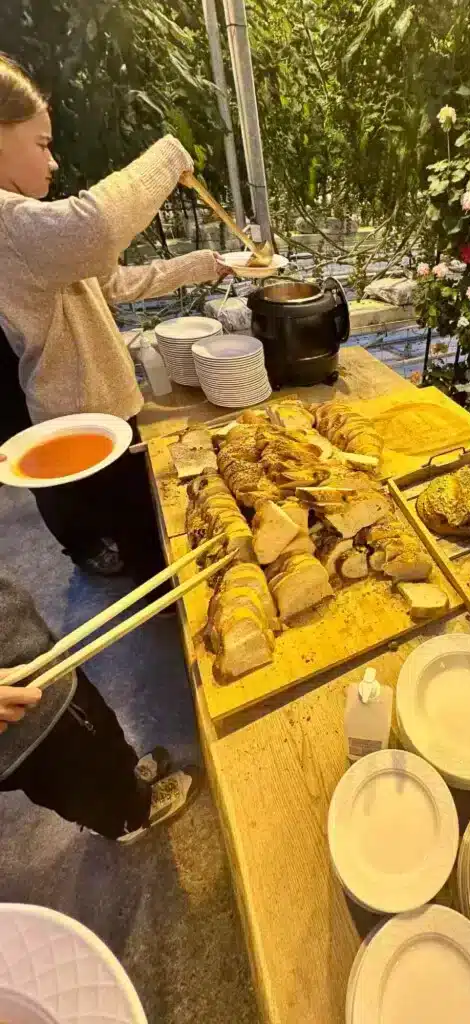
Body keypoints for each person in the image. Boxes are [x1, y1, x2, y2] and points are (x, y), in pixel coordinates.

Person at [0, 55, 227, 581]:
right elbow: (96, 227)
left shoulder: (27, 232)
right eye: (42, 144)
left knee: (140, 514)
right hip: (73, 416)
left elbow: (113, 283)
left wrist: (202, 264)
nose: (53, 162)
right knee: (140, 535)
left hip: (105, 406)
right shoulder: (10, 225)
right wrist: (169, 156)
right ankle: (148, 590)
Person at [0, 572, 199, 842]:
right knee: (76, 773)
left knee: (103, 737)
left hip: (33, 657)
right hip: (26, 723)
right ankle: (130, 818)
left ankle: (126, 783)